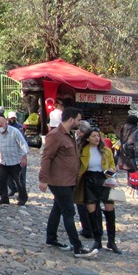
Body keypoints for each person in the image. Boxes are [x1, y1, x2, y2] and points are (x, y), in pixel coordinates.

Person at [39, 106, 97, 258]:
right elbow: (46, 157)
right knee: (69, 212)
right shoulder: (55, 135)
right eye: (78, 119)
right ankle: (78, 247)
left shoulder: (69, 135)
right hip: (59, 182)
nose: (80, 122)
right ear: (70, 120)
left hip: (68, 181)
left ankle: (51, 238)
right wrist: (43, 179)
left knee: (57, 209)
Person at [74, 129, 121, 254]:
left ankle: (112, 240)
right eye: (93, 136)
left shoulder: (106, 150)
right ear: (88, 138)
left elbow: (112, 165)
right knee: (92, 210)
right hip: (89, 180)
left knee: (109, 209)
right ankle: (97, 239)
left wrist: (111, 172)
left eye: (98, 136)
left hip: (104, 180)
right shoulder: (82, 150)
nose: (96, 138)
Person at [0, 116, 29, 205]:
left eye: (0, 125)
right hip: (4, 161)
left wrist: (24, 158)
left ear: (6, 124)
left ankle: (22, 198)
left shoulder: (15, 132)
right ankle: (4, 198)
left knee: (19, 181)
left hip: (15, 161)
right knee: (1, 181)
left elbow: (23, 145)